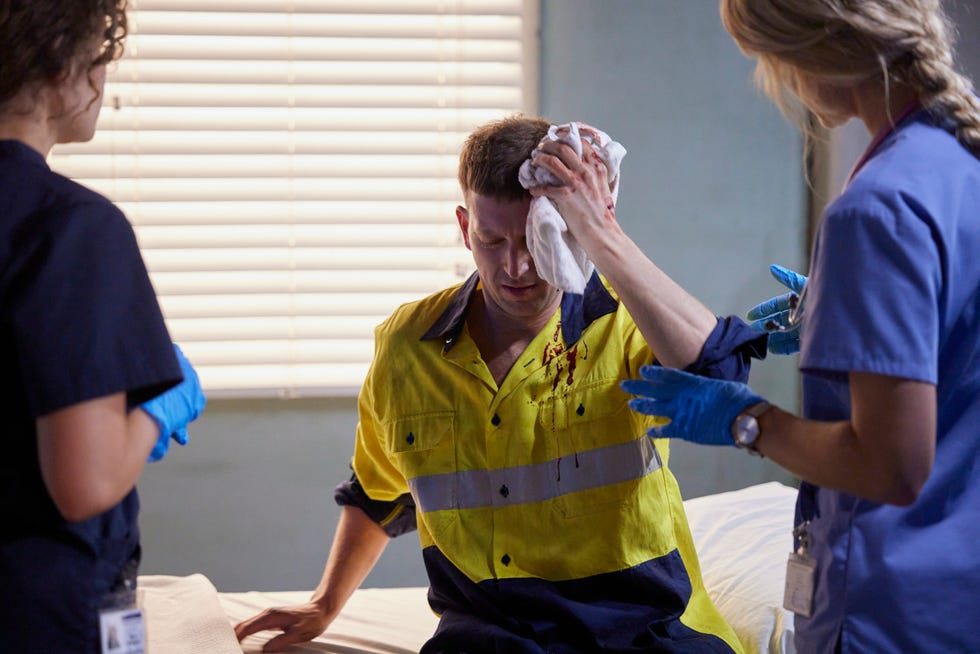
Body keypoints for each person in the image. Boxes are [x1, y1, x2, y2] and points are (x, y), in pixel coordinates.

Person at [235, 115, 768, 653]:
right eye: (492, 240)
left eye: (534, 239)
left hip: (645, 628)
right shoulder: (406, 349)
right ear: (465, 230)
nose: (516, 266)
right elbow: (379, 494)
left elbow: (721, 378)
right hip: (493, 635)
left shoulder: (627, 325)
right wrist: (325, 603)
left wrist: (603, 230)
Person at [618, 1, 980, 652]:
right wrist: (846, 308)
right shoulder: (957, 162)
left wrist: (744, 419)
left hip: (893, 612)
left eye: (768, 61)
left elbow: (893, 467)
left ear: (814, 50)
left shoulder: (876, 209)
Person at [0, 1, 207, 651]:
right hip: (34, 610)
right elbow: (83, 485)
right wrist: (162, 404)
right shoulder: (71, 228)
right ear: (65, 65)